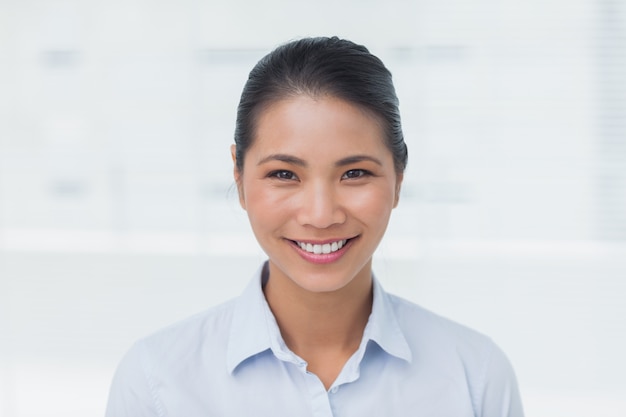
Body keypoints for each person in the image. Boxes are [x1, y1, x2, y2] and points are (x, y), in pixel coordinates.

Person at [105, 36, 524, 417]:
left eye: (355, 173)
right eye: (285, 175)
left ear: (398, 179)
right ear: (239, 177)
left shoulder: (476, 377)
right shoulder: (157, 382)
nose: (321, 215)